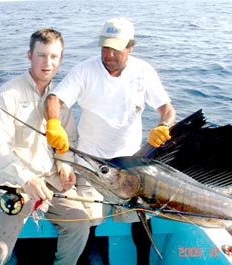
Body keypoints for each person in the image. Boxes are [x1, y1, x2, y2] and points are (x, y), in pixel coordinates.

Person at [44, 17, 176, 265]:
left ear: (131, 47)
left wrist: (163, 126)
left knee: (140, 220)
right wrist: (53, 123)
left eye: (116, 48)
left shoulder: (143, 71)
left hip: (131, 164)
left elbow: (167, 109)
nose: (109, 54)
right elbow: (54, 99)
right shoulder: (85, 70)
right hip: (93, 162)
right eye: (105, 47)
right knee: (88, 223)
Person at [0, 29, 91, 265]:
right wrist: (27, 179)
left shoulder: (60, 99)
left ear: (61, 58)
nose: (48, 63)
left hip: (52, 183)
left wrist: (65, 166)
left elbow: (69, 141)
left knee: (80, 223)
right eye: (42, 55)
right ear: (29, 55)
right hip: (14, 185)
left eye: (54, 56)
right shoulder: (7, 95)